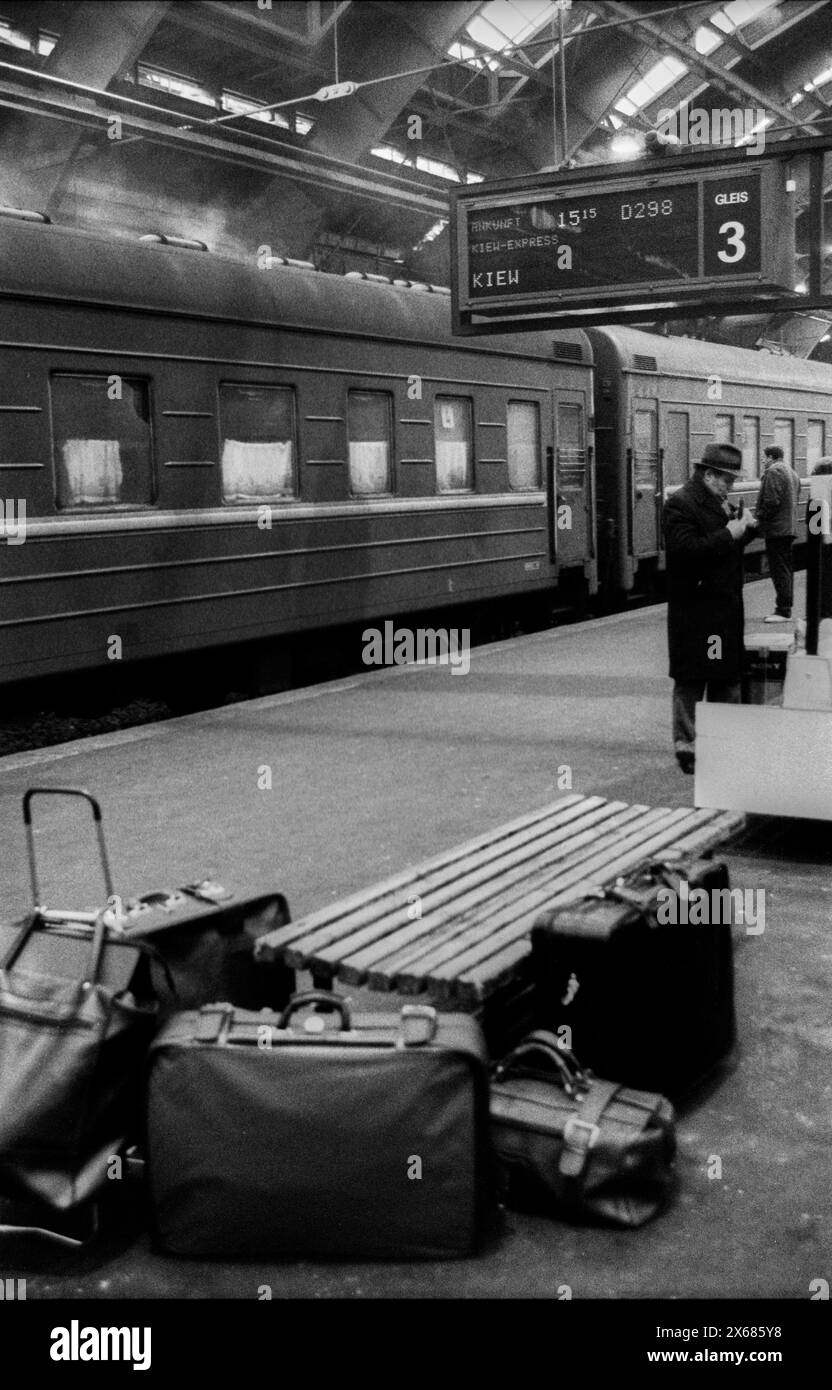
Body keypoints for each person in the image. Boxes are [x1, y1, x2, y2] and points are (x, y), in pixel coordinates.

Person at [663, 443, 758, 774]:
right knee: (693, 678)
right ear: (708, 474)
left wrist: (745, 529)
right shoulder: (680, 504)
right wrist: (728, 533)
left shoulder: (716, 501)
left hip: (722, 608)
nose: (730, 487)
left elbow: (725, 549)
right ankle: (687, 746)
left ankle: (720, 742)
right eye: (726, 480)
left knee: (724, 676)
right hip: (697, 610)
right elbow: (685, 552)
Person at [754, 444, 801, 622]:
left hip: (776, 530)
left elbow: (771, 501)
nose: (763, 461)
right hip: (789, 528)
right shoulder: (792, 472)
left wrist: (759, 519)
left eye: (764, 457)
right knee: (786, 568)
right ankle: (785, 606)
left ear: (772, 457)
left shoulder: (773, 471)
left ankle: (783, 610)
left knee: (778, 569)